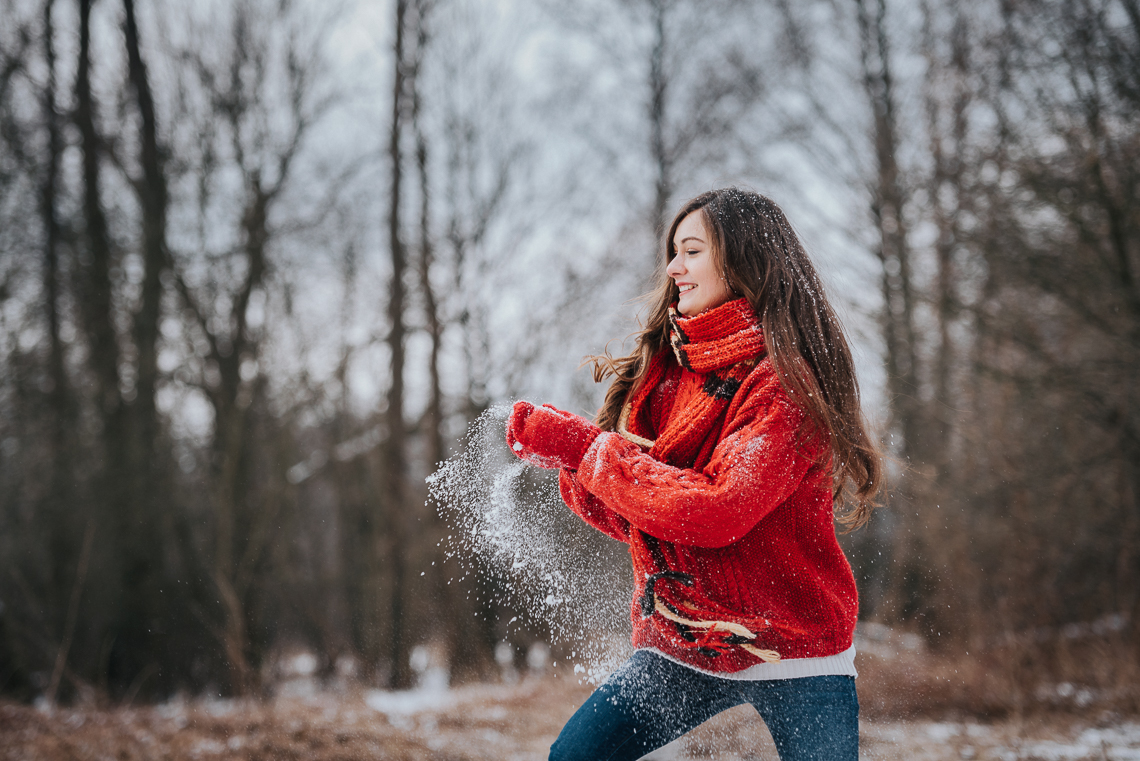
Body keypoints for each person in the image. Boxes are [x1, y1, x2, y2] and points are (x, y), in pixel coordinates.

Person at [506, 188, 882, 761]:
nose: (673, 268)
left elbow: (716, 510)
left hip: (796, 649)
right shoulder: (667, 373)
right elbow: (645, 517)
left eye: (691, 250)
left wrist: (586, 451)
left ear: (743, 260)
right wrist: (570, 464)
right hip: (684, 643)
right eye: (672, 252)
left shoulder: (784, 386)